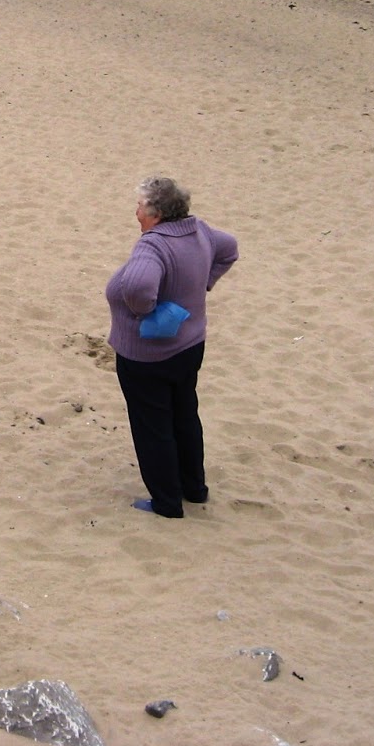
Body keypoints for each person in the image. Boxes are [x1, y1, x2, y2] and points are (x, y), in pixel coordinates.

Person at [105, 175, 238, 517]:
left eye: (139, 206)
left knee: (153, 426)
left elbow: (137, 287)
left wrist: (145, 315)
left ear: (156, 213)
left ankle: (166, 502)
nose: (136, 212)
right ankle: (194, 488)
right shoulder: (200, 231)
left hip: (148, 356)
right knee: (184, 415)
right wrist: (202, 284)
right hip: (190, 346)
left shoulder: (153, 245)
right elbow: (229, 248)